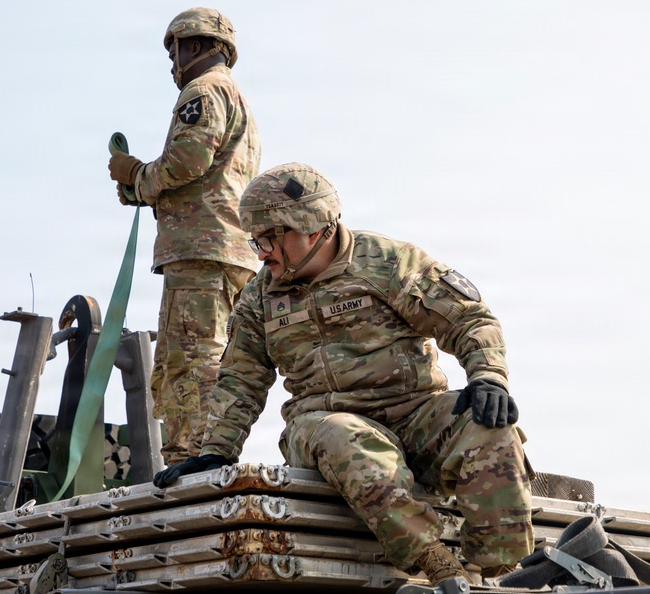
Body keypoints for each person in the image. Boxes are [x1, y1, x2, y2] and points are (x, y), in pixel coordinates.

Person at [152, 163, 534, 592]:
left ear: (312, 227)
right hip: (323, 426)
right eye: (255, 240)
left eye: (269, 238)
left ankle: (504, 575)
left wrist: (489, 377)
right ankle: (439, 566)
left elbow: (468, 319)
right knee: (344, 436)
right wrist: (215, 452)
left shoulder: (387, 263)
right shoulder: (260, 297)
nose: (261, 253)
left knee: (489, 425)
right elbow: (241, 377)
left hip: (414, 415)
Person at [107, 7, 260, 465]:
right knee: (214, 358)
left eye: (174, 51)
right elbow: (208, 177)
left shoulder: (204, 91)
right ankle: (205, 455)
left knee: (191, 362)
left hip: (200, 253)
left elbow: (188, 161)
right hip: (227, 251)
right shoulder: (236, 98)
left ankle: (197, 460)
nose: (173, 64)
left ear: (193, 46)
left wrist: (137, 176)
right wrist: (142, 190)